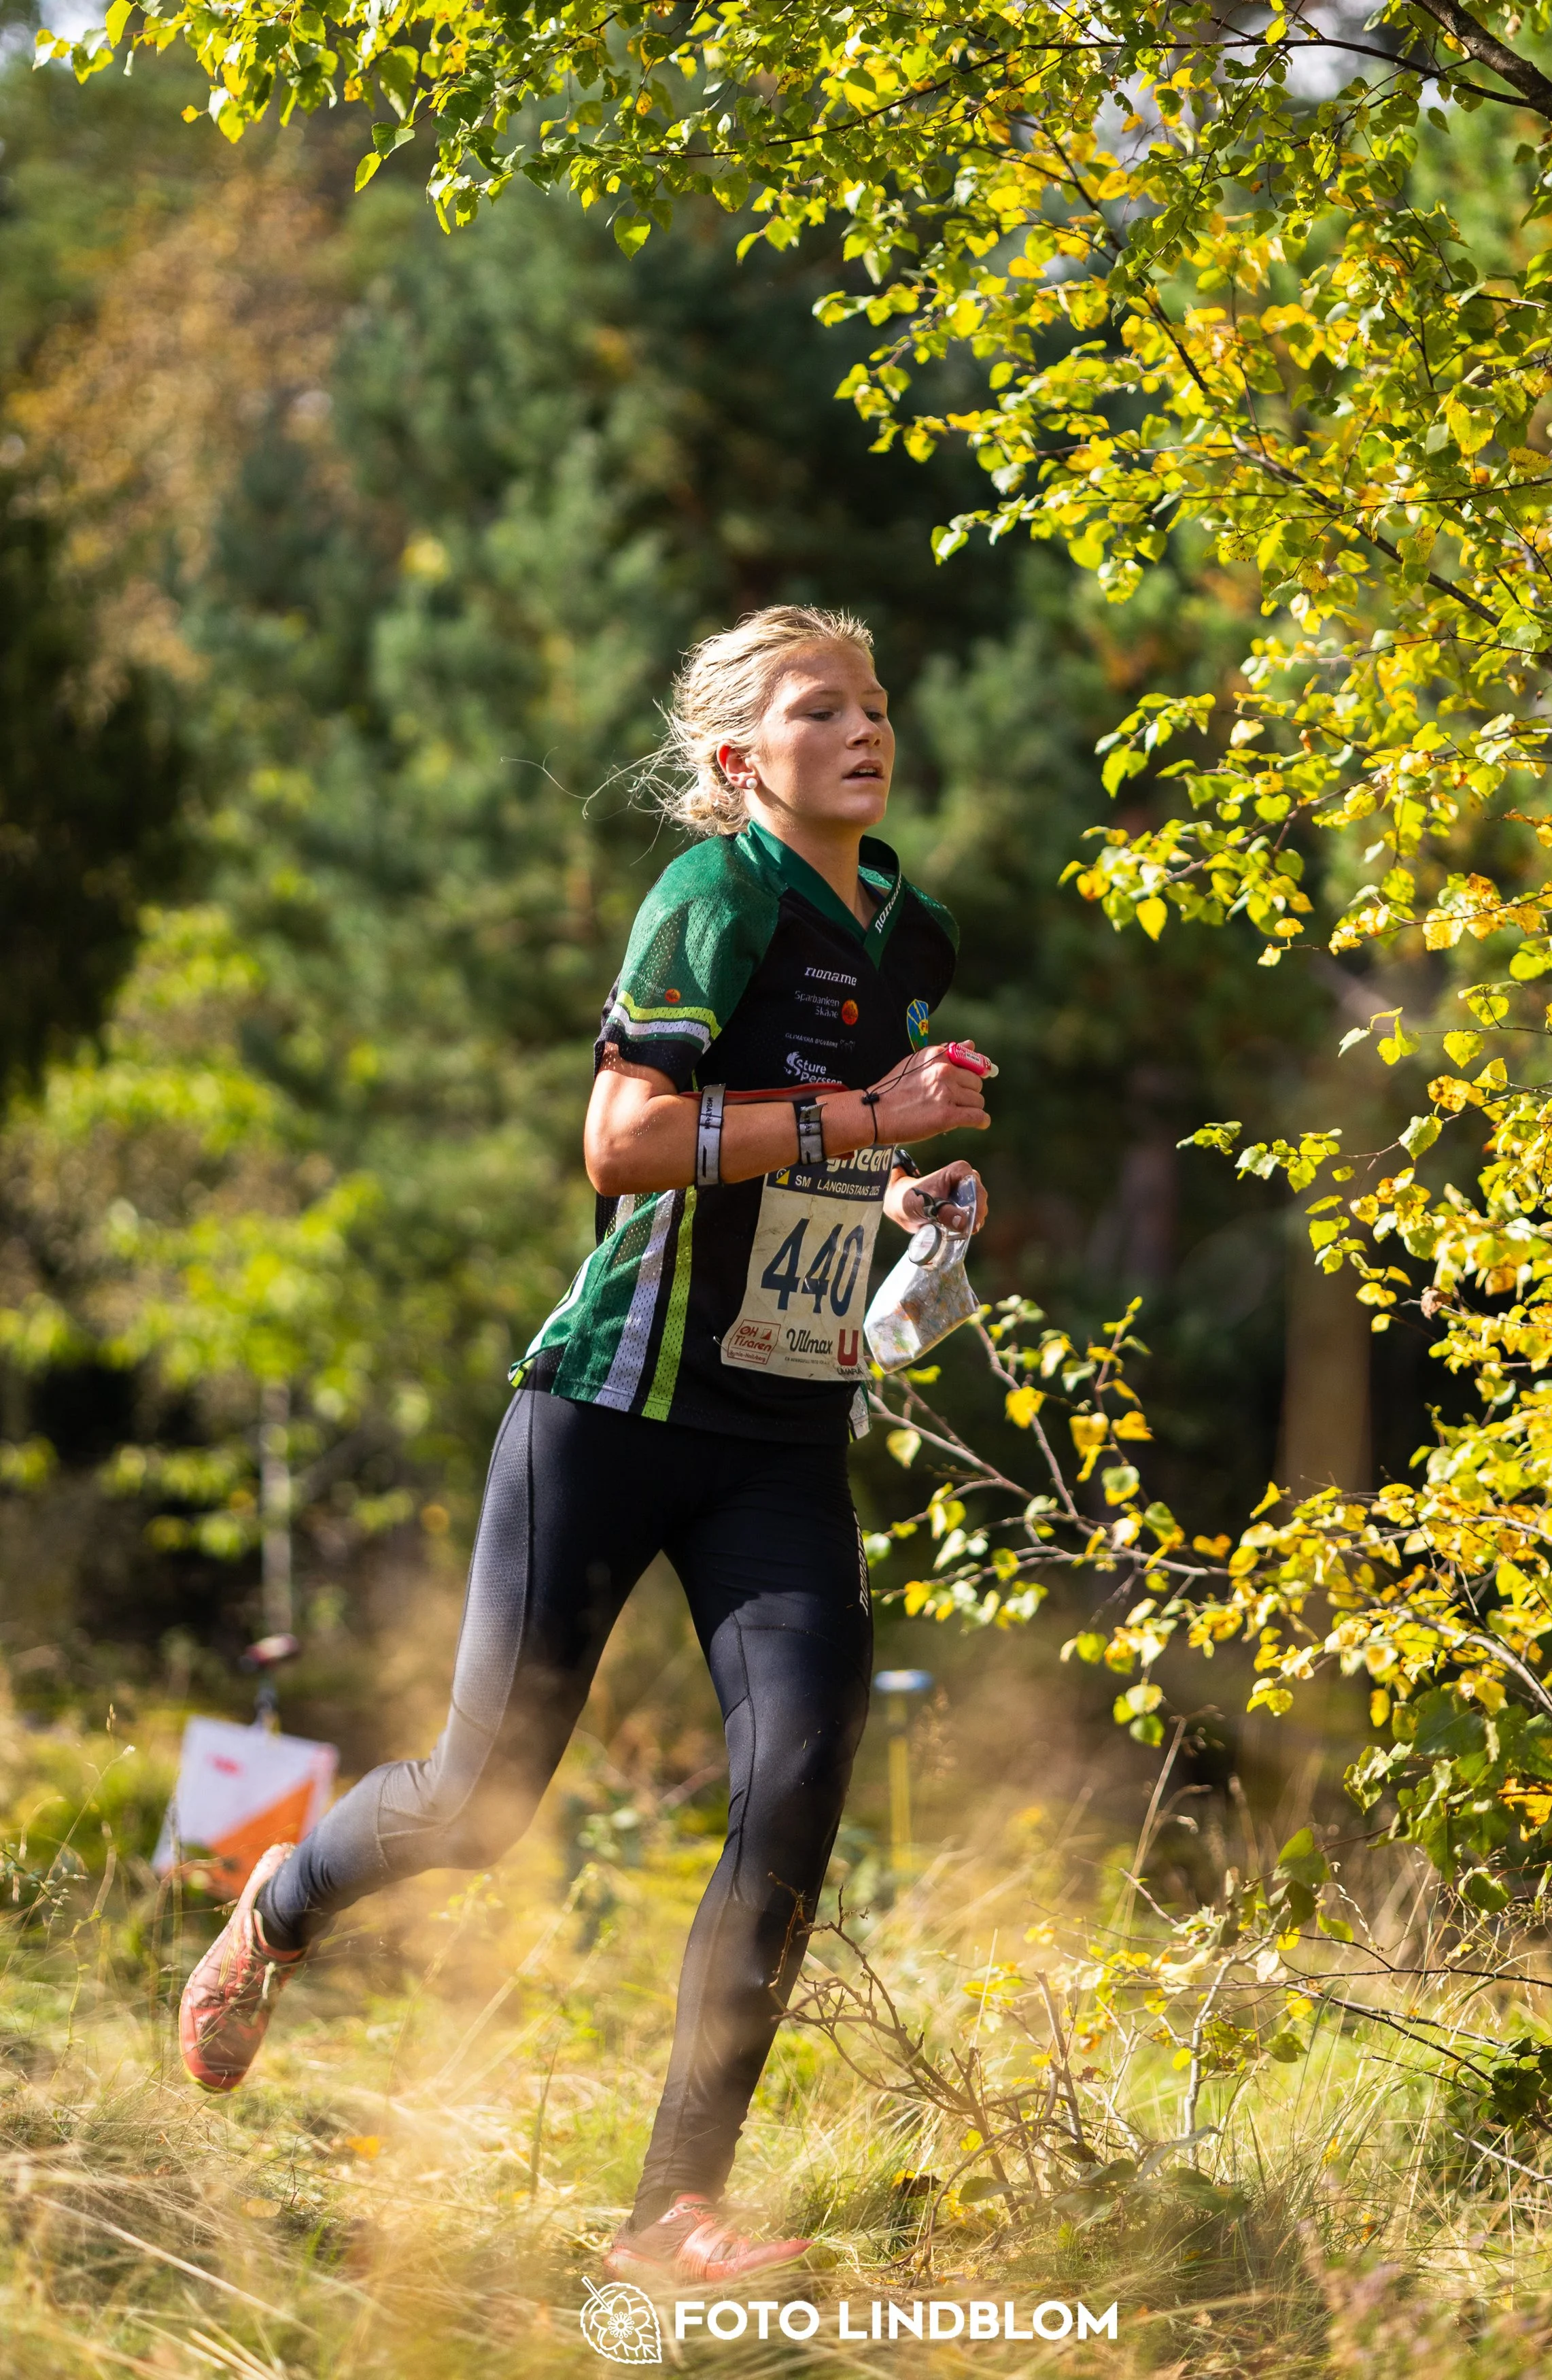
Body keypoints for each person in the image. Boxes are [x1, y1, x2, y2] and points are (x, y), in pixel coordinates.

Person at [177, 605, 990, 2285]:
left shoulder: (912, 932)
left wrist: (918, 1193)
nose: (862, 728)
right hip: (610, 1409)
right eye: (814, 708)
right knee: (481, 1800)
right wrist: (866, 1119)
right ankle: (273, 1909)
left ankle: (665, 2213)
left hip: (781, 1426)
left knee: (798, 1776)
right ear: (735, 759)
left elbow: (842, 1154)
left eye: (874, 702)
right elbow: (619, 1143)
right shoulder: (712, 898)